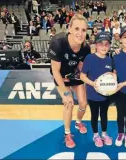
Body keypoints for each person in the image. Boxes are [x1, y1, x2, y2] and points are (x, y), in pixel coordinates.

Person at [47, 14, 90, 148]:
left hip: (74, 76)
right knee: (69, 102)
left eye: (83, 30)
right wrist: (66, 93)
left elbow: (82, 68)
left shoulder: (86, 48)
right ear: (69, 28)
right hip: (61, 76)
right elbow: (55, 71)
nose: (80, 33)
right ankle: (67, 134)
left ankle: (78, 122)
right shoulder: (58, 42)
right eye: (77, 29)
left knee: (83, 103)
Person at [80, 32, 113, 147]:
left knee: (104, 114)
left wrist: (113, 76)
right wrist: (93, 84)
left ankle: (104, 134)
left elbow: (113, 75)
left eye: (107, 44)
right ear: (96, 45)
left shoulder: (110, 60)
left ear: (109, 46)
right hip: (92, 95)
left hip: (106, 95)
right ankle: (95, 135)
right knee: (94, 115)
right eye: (101, 44)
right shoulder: (89, 58)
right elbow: (82, 76)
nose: (104, 47)